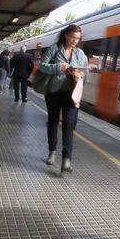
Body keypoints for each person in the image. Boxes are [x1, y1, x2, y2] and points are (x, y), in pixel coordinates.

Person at [39, 24, 87, 173]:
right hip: (54, 91)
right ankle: (52, 151)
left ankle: (67, 159)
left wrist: (80, 74)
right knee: (53, 121)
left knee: (69, 124)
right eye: (72, 37)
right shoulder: (53, 49)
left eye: (77, 38)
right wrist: (59, 68)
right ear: (66, 35)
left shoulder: (80, 53)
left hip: (72, 93)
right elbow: (42, 66)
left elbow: (85, 72)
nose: (75, 41)